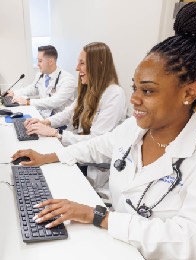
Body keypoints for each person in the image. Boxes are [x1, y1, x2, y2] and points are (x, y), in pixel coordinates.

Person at [12, 2, 196, 259]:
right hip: (117, 244)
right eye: (135, 88)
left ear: (189, 92)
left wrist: (98, 216)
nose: (134, 99)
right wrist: (49, 157)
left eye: (147, 91)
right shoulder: (134, 129)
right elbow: (97, 146)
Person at [22, 42, 127, 198]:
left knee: (44, 176)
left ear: (97, 65)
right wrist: (46, 122)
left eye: (82, 63)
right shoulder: (90, 89)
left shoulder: (115, 95)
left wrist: (57, 134)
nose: (77, 68)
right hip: (77, 152)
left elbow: (96, 142)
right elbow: (68, 113)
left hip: (93, 166)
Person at [7, 45, 76, 118]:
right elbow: (32, 89)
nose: (37, 64)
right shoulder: (41, 75)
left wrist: (27, 102)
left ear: (51, 61)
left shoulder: (68, 79)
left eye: (40, 61)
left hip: (60, 122)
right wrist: (14, 93)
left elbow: (54, 102)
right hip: (43, 115)